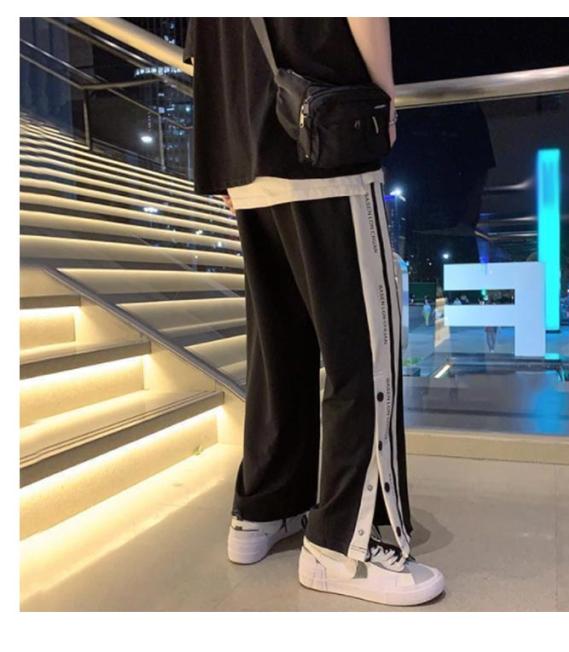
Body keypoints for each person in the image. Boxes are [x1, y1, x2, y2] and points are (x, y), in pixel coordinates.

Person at [183, 17, 444, 606]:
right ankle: (342, 548)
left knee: (279, 351)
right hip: (323, 138)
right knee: (364, 356)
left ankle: (263, 509)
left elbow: (203, 51)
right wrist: (384, 102)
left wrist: (226, 153)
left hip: (246, 156)